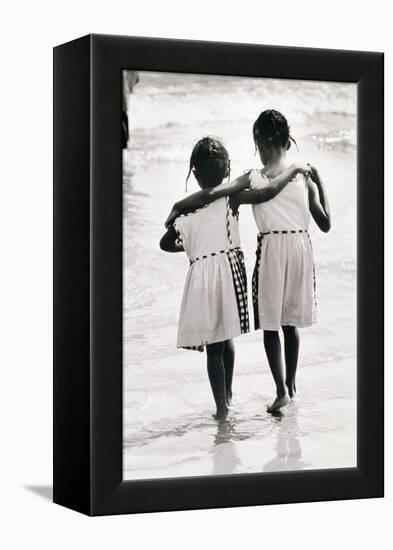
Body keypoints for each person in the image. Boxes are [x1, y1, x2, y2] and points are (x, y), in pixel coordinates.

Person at [165, 110, 330, 413]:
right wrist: (315, 182)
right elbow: (324, 223)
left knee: (272, 325)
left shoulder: (258, 178)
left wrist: (178, 208)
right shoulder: (295, 178)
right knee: (288, 324)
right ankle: (288, 387)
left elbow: (216, 193)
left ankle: (282, 389)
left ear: (259, 141)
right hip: (297, 250)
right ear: (284, 140)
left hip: (273, 251)